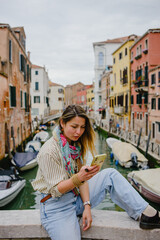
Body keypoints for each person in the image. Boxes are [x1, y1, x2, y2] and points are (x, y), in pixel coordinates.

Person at [32, 105, 160, 240]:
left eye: (82, 127)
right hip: (56, 207)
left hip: (75, 198)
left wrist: (87, 205)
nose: (79, 132)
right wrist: (79, 178)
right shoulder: (49, 151)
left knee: (111, 174)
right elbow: (56, 189)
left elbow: (81, 181)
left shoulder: (74, 146)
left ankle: (147, 214)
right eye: (74, 127)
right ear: (62, 123)